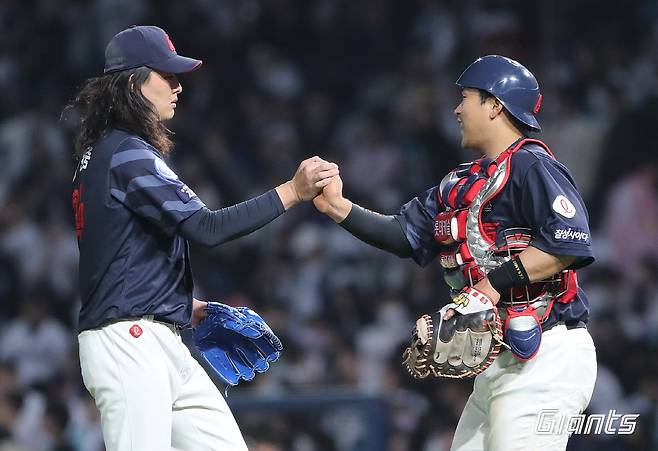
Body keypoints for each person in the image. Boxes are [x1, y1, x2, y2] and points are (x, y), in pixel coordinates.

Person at [66, 25, 338, 451]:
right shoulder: (126, 153)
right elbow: (206, 228)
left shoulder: (109, 153)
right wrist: (293, 192)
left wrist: (181, 303)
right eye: (167, 75)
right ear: (135, 83)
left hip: (159, 336)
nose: (177, 87)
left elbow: (118, 251)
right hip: (129, 342)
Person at [313, 55, 597, 450]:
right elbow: (403, 235)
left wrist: (489, 286)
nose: (457, 109)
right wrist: (339, 208)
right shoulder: (461, 181)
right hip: (498, 364)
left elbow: (567, 243)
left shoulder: (532, 165)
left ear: (495, 105)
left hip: (547, 353)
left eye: (466, 97)